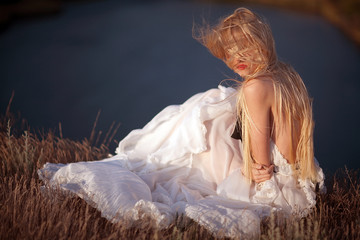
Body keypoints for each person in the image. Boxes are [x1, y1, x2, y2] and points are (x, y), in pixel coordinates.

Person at [38, 8, 325, 238]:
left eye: (245, 47)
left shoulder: (255, 88)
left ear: (261, 42)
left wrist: (249, 165)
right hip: (300, 182)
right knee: (215, 104)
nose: (236, 58)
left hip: (277, 188)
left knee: (201, 130)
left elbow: (260, 166)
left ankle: (171, 151)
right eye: (229, 51)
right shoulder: (286, 75)